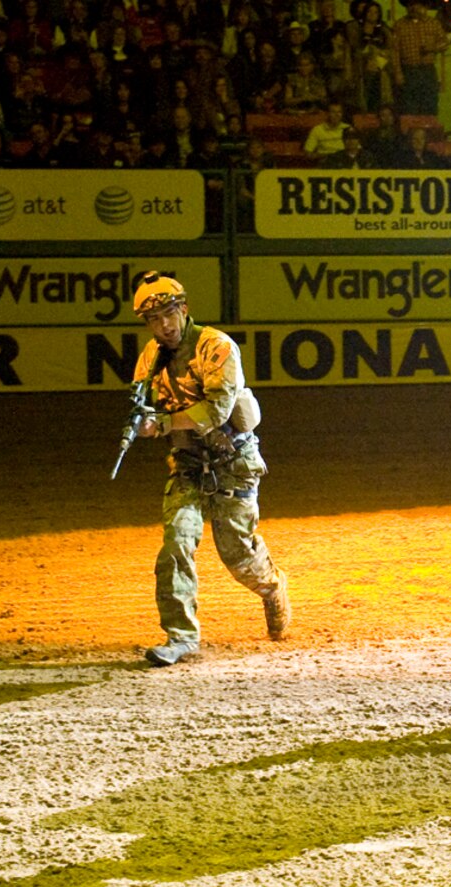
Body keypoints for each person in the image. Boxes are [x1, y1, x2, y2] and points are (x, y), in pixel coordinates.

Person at [128, 274, 291, 667]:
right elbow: (143, 401)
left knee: (238, 556)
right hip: (188, 464)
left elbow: (217, 411)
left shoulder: (216, 346)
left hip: (232, 461)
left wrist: (163, 424)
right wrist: (140, 419)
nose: (163, 325)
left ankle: (272, 588)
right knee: (177, 542)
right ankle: (180, 636)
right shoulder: (150, 358)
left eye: (168, 314)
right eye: (153, 320)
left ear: (183, 309)